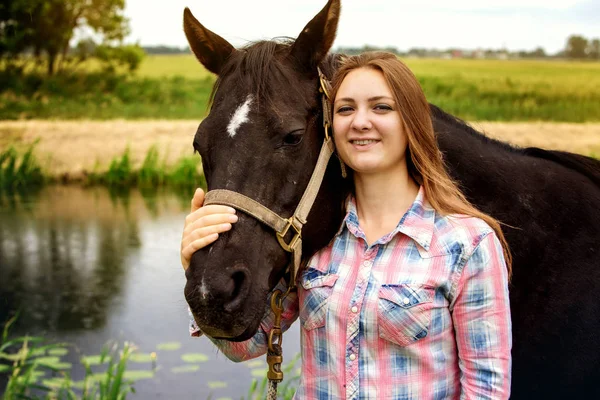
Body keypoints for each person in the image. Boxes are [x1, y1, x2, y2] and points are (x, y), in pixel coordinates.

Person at [181, 51, 512, 399]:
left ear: (410, 121)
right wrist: (198, 269)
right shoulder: (315, 237)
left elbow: (486, 389)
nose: (360, 122)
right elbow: (244, 345)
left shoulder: (466, 244)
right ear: (329, 125)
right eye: (345, 109)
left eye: (381, 107)